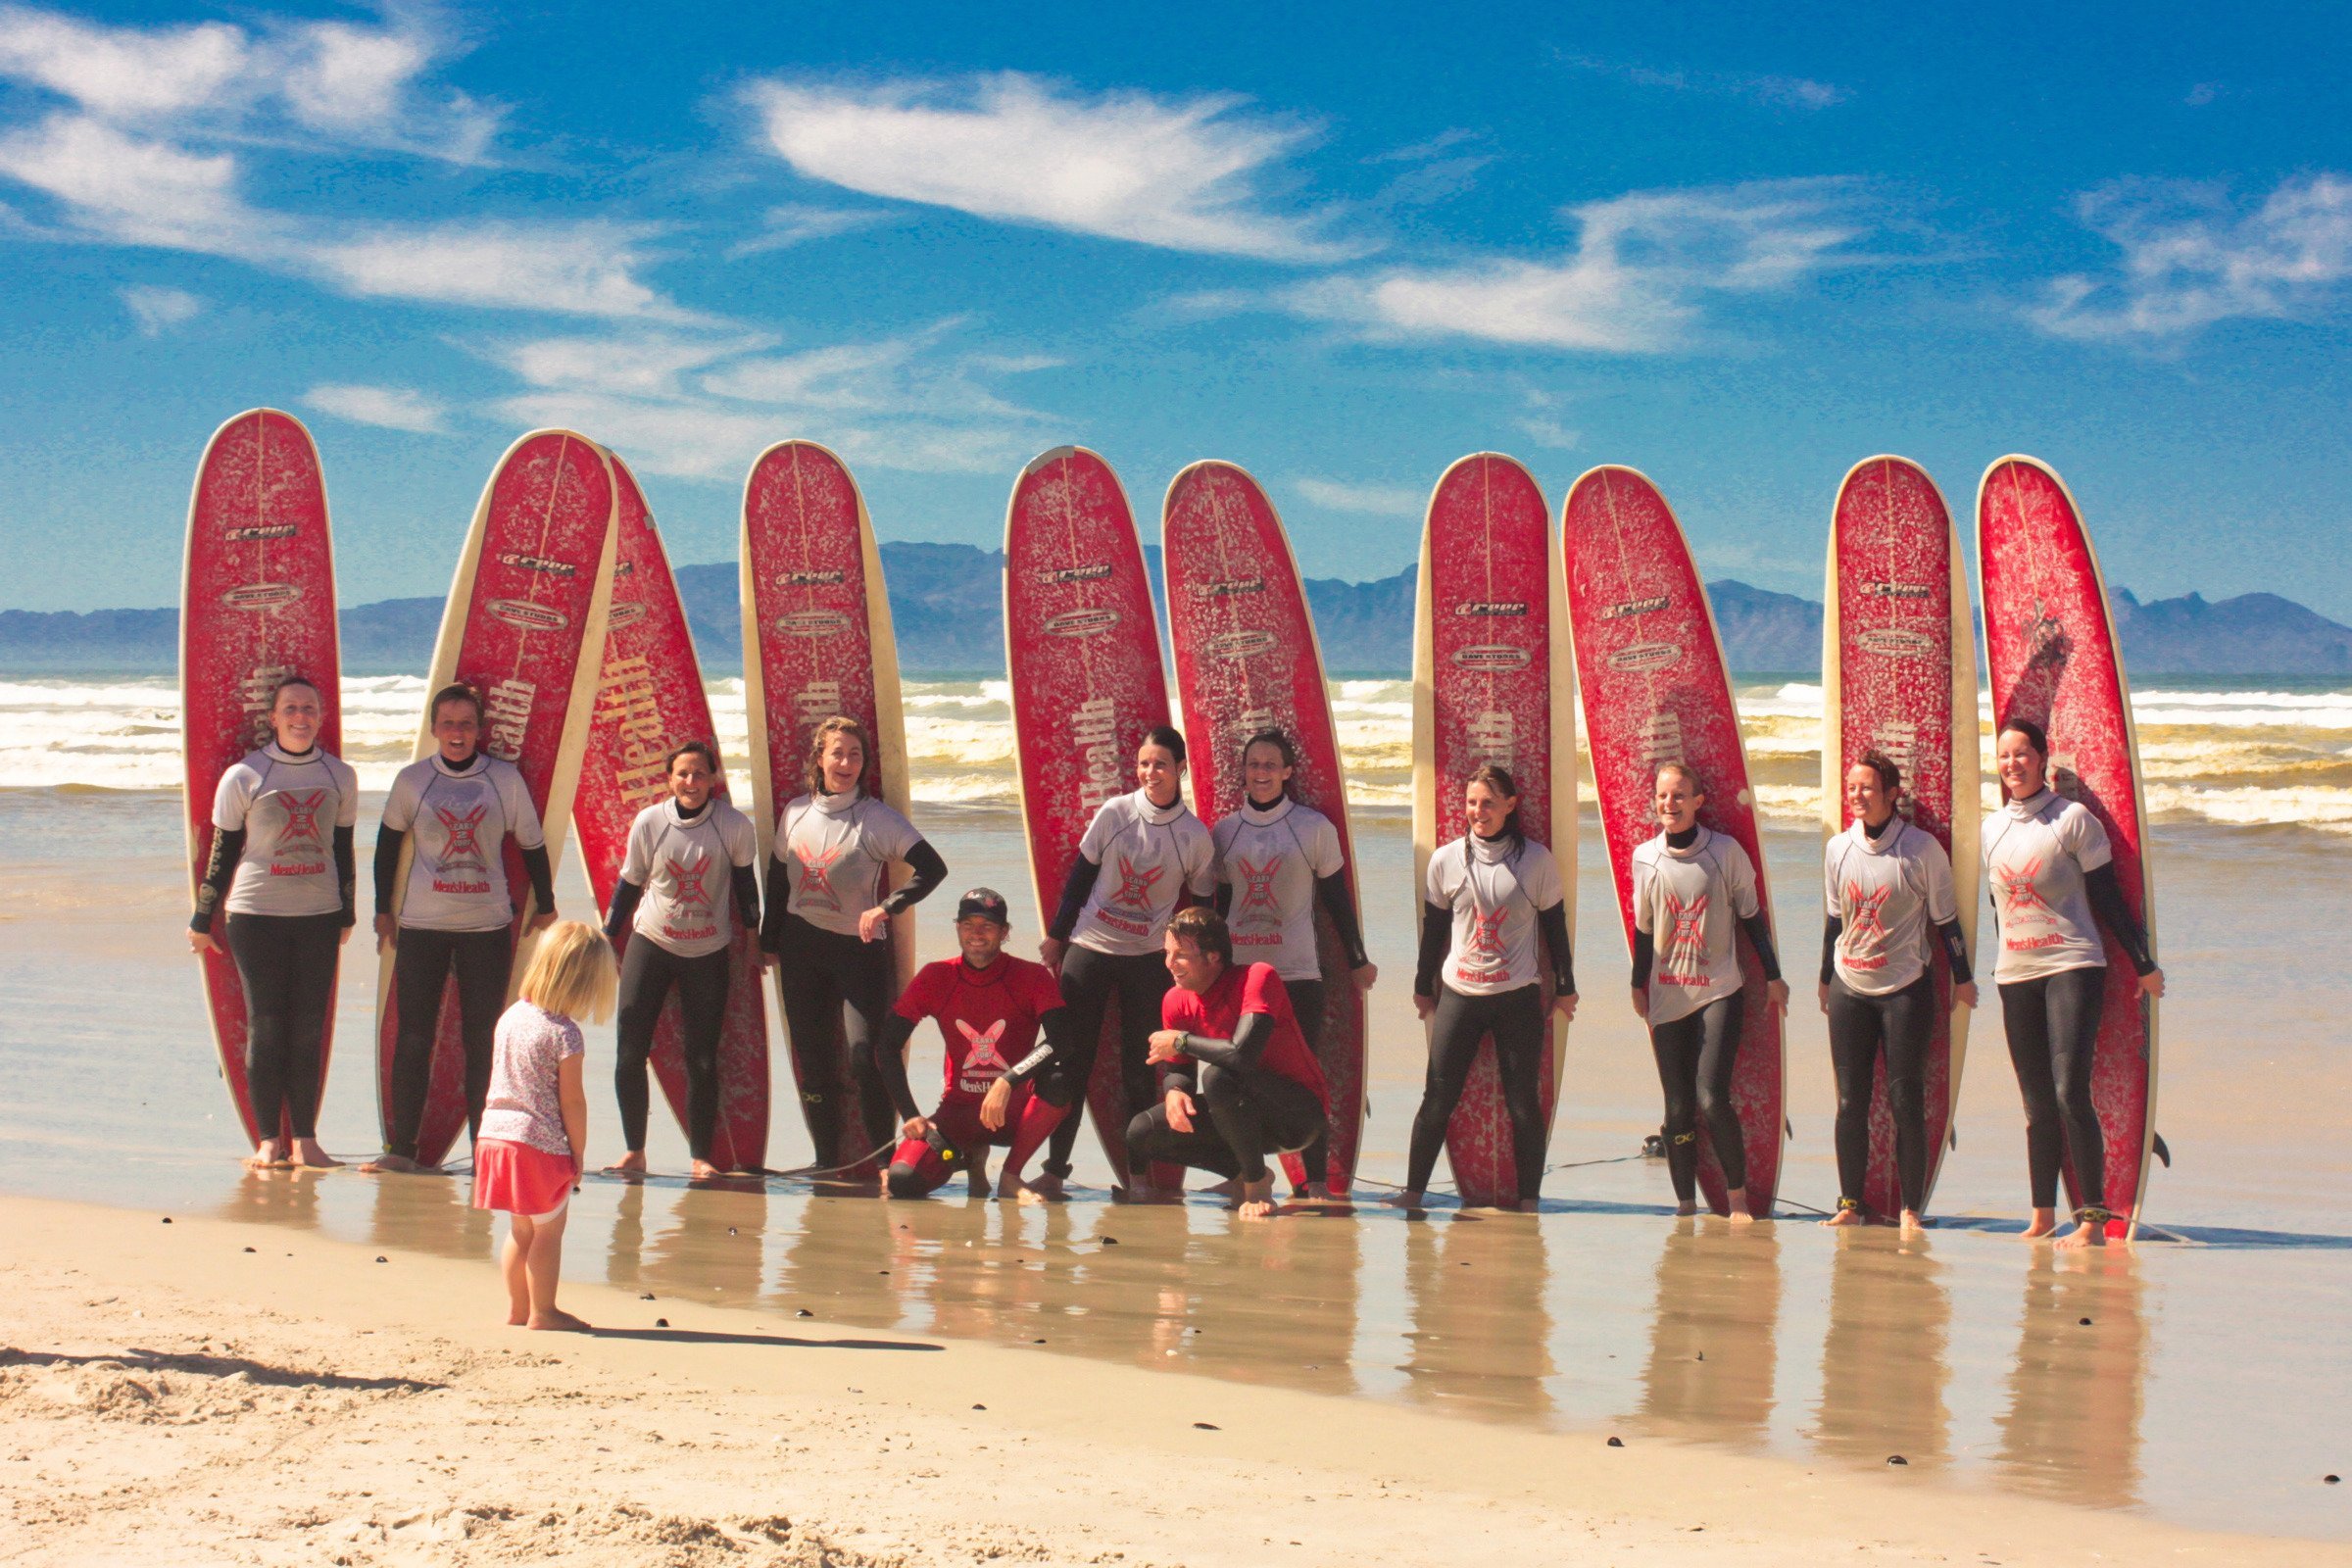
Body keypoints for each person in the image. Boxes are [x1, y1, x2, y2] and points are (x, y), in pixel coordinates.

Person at [1983, 717, 2164, 1249]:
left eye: (2021, 753)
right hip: (2015, 972)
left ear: (2042, 758)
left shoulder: (2073, 820)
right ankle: (2042, 1213)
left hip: (2072, 965)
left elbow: (2107, 898)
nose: (2011, 763)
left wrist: (2142, 963)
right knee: (2036, 1102)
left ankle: (2091, 1218)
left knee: (2068, 1092)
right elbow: (1999, 910)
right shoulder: (1992, 829)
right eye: (2003, 755)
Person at [365, 683, 556, 1174]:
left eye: (466, 723)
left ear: (479, 730)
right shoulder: (412, 781)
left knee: (483, 1042)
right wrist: (381, 911)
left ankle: (484, 1151)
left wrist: (547, 904)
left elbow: (532, 845)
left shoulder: (504, 779)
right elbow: (387, 849)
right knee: (413, 1037)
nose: (457, 732)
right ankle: (401, 1148)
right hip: (422, 926)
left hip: (487, 927)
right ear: (433, 729)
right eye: (447, 723)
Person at [1034, 725, 1215, 1200]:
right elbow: (1081, 876)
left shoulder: (1193, 836)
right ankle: (1054, 1171)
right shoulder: (1115, 813)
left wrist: (1200, 969)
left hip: (1147, 961)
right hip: (1090, 948)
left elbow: (1202, 910)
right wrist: (1057, 936)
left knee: (1138, 1072)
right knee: (1071, 1062)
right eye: (1142, 764)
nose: (1149, 772)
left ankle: (1138, 1179)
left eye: (1159, 764)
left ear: (1181, 769)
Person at [760, 714, 948, 1171]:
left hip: (856, 951)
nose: (846, 762)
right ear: (820, 759)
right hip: (801, 946)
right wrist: (768, 942)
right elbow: (778, 880)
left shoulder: (876, 819)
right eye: (837, 753)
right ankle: (827, 1160)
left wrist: (887, 906)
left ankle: (881, 1160)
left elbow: (933, 868)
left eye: (855, 754)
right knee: (813, 1057)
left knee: (866, 1057)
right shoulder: (794, 812)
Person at [1388, 765, 1577, 1213]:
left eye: (1489, 803)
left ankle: (1529, 1200)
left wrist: (1566, 987)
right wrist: (1422, 985)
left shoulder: (1536, 860)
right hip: (1460, 994)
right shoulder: (1446, 859)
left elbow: (1555, 929)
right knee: (1436, 1099)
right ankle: (1412, 1193)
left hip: (1517, 996)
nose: (1479, 811)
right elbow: (1433, 930)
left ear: (1510, 806)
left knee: (1523, 1105)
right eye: (1472, 802)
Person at [187, 674, 357, 1170]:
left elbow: (343, 849)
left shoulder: (340, 776)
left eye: (309, 708)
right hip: (255, 916)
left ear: (321, 716)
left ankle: (304, 1139)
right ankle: (267, 1140)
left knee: (308, 1027)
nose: (300, 716)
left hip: (319, 916)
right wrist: (202, 919)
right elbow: (222, 852)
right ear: (274, 717)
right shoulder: (244, 775)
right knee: (266, 1024)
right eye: (290, 708)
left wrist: (347, 912)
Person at [1209, 729, 1376, 1194]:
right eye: (1252, 765)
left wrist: (1357, 959)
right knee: (1238, 1076)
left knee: (1304, 1077)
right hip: (1241, 978)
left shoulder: (1312, 828)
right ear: (1243, 771)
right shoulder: (1226, 831)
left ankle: (1317, 1179)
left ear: (1287, 772)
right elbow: (1218, 911)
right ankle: (1245, 1173)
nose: (1260, 773)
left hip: (1298, 974)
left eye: (1269, 765)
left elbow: (1336, 901)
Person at [1818, 752, 1977, 1231]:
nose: (1857, 795)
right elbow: (1833, 921)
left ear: (1892, 794)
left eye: (1868, 787)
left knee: (1906, 1099)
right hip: (1850, 986)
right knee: (1850, 1101)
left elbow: (1946, 922)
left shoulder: (1921, 849)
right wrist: (1825, 977)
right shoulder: (1837, 849)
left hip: (1906, 988)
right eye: (1852, 787)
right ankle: (1850, 1204)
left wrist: (1964, 977)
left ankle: (1910, 1209)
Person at [1630, 761, 1788, 1222]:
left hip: (1719, 988)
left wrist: (1774, 976)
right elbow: (1643, 930)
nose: (1670, 804)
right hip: (1666, 993)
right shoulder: (1645, 857)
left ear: (1699, 801)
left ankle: (1737, 1200)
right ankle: (1684, 1204)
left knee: (1711, 1096)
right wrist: (1637, 983)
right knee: (1676, 1106)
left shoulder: (1724, 851)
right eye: (1663, 796)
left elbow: (1751, 918)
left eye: (1680, 796)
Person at [601, 741, 761, 1179]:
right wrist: (606, 938)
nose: (691, 783)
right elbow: (628, 884)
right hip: (651, 941)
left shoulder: (733, 826)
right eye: (682, 774)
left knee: (703, 1058)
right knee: (629, 1052)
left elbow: (747, 889)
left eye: (699, 774)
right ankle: (634, 1151)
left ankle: (700, 1157)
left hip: (707, 951)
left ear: (714, 779)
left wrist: (754, 939)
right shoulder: (650, 822)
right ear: (669, 779)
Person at [875, 888, 1076, 1202]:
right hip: (958, 1116)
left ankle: (1011, 1176)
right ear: (957, 928)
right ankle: (968, 1160)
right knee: (903, 1182)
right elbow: (887, 1045)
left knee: (1062, 1081)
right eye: (968, 924)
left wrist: (1007, 1081)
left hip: (1015, 1114)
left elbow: (1063, 1042)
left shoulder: (1032, 976)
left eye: (988, 926)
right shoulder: (936, 976)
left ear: (1005, 932)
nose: (976, 934)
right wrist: (910, 1113)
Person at [1130, 907, 1329, 1219]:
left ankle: (1256, 1189)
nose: (1169, 963)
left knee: (1218, 1078)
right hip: (1238, 1112)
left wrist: (1180, 1040)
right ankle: (1248, 1172)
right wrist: (1175, 1090)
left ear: (1213, 957)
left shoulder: (1257, 977)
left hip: (1298, 1115)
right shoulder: (1175, 999)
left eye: (1181, 954)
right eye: (1167, 952)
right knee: (1142, 1131)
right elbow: (1179, 1069)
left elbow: (1242, 1054)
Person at [471, 919, 613, 1332]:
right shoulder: (565, 1033)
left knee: (519, 1230)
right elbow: (572, 1100)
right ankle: (544, 1311)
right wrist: (578, 1153)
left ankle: (518, 1308)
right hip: (538, 1145)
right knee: (549, 1233)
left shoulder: (512, 1017)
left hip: (494, 1136)